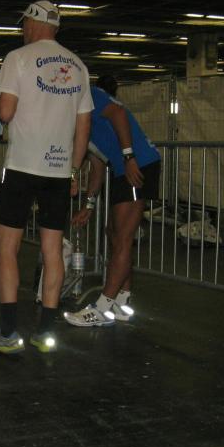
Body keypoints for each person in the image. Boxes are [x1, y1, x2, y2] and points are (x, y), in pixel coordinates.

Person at [0, 0, 93, 354]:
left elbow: (5, 112)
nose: (22, 31)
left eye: (24, 24)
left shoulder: (18, 58)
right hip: (57, 171)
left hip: (22, 166)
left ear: (32, 23)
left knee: (7, 248)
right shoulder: (78, 66)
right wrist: (73, 169)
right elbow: (83, 126)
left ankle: (8, 332)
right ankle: (45, 331)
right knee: (52, 250)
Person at [64, 74, 161, 326]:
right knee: (113, 233)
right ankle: (122, 300)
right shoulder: (80, 119)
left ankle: (102, 308)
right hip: (123, 168)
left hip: (138, 164)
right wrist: (88, 205)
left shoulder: (88, 95)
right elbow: (97, 167)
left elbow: (118, 114)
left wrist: (129, 157)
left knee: (123, 238)